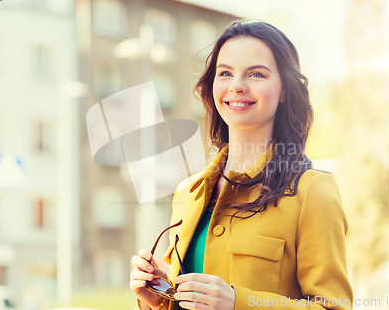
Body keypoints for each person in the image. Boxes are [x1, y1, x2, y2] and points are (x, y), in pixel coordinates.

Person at [130, 19, 354, 310]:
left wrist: (239, 302)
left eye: (256, 74)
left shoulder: (313, 191)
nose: (236, 86)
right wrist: (159, 299)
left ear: (284, 90)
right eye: (225, 73)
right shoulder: (188, 192)